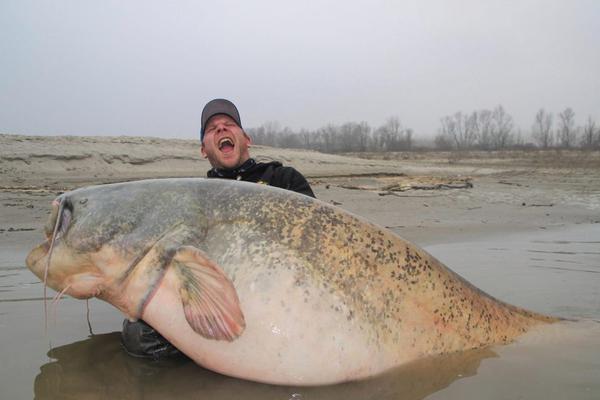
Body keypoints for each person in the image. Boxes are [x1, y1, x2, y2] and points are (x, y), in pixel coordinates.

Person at [121, 98, 315, 359]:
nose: (222, 129)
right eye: (212, 128)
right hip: (217, 298)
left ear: (246, 138)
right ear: (203, 149)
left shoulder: (284, 178)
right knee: (138, 335)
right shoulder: (194, 199)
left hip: (283, 291)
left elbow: (316, 238)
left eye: (229, 124)